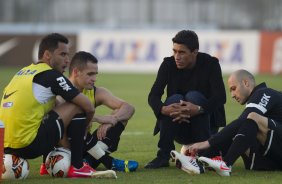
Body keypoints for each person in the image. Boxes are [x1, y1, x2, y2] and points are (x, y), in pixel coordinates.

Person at [0, 33, 98, 178]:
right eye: (63, 54)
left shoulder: (22, 72)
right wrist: (85, 126)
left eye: (68, 55)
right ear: (47, 55)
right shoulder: (51, 75)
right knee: (77, 105)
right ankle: (77, 166)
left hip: (5, 145)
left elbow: (56, 106)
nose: (67, 60)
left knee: (54, 110)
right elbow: (88, 106)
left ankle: (46, 166)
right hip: (28, 145)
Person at [175, 69, 282, 176]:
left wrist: (207, 143)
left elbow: (243, 121)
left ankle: (225, 164)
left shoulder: (264, 92)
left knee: (251, 118)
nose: (232, 95)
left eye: (233, 89)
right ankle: (197, 162)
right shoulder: (258, 100)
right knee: (243, 127)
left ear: (246, 83)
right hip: (270, 160)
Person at [145, 30, 226, 169]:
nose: (177, 56)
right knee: (174, 99)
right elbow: (153, 96)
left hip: (207, 128)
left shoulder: (210, 64)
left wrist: (199, 109)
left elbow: (220, 97)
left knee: (193, 96)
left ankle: (205, 154)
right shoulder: (168, 64)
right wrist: (163, 109)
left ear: (195, 52)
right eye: (174, 51)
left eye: (182, 52)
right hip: (179, 125)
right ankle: (163, 155)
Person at [66, 51, 138, 172]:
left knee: (119, 115)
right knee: (80, 122)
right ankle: (108, 162)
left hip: (87, 144)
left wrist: (112, 120)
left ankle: (88, 161)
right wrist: (98, 118)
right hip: (65, 148)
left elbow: (129, 108)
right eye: (90, 74)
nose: (94, 79)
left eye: (95, 74)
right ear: (76, 72)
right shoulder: (61, 90)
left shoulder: (95, 92)